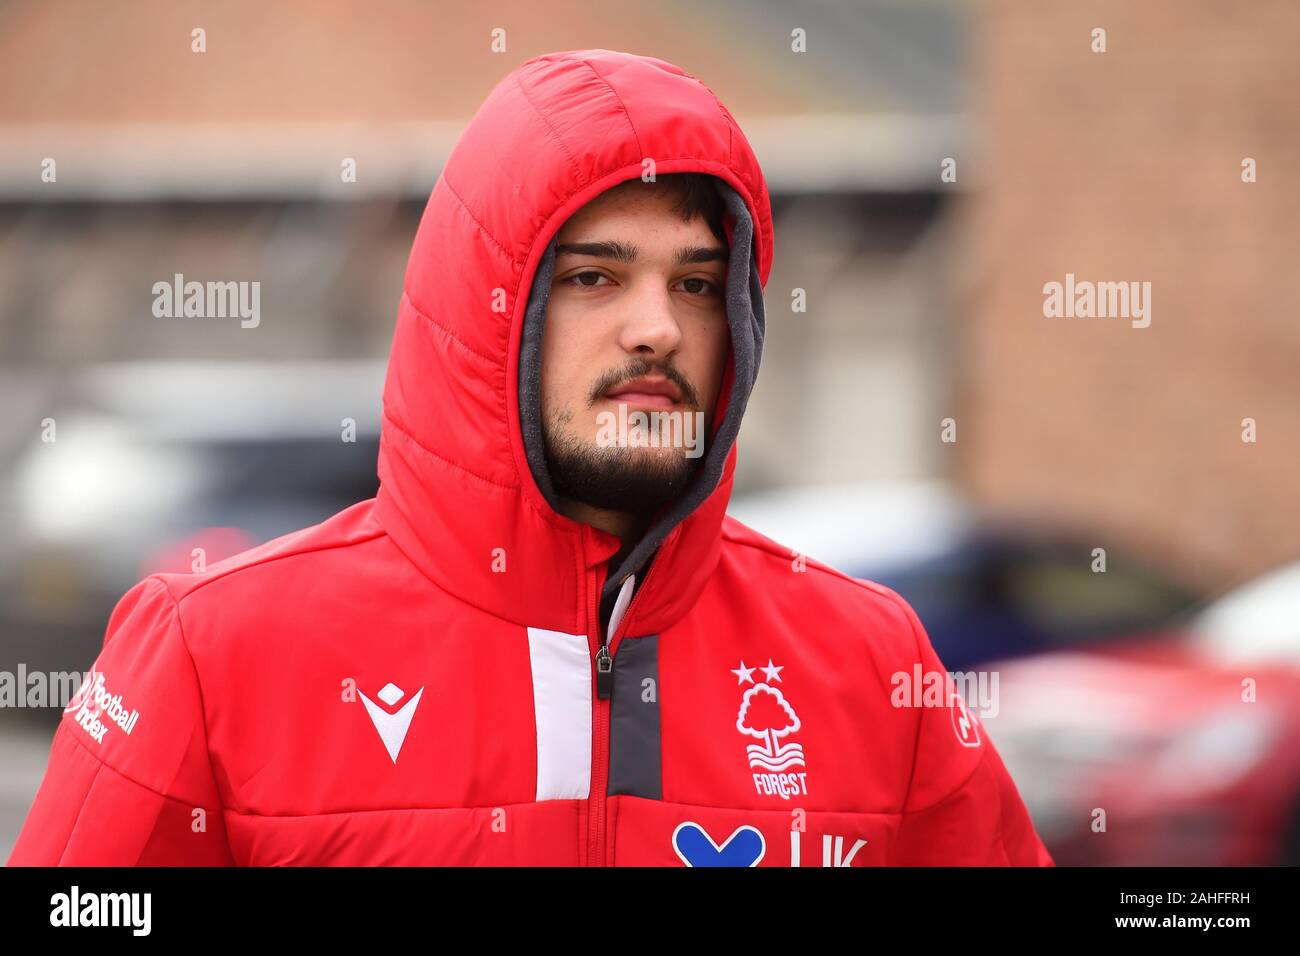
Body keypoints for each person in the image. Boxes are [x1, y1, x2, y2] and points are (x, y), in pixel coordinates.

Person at [8, 49, 1052, 866]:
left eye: (695, 283)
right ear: (485, 312)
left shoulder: (869, 664)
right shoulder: (211, 652)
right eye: (595, 277)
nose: (657, 329)